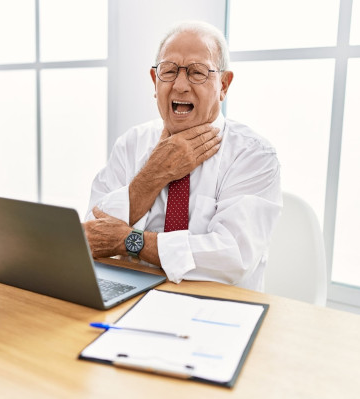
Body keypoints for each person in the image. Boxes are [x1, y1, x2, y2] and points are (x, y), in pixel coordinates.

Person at [82, 21, 282, 291]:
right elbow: (91, 236)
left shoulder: (254, 155)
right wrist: (153, 175)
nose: (180, 85)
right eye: (169, 71)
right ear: (155, 81)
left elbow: (232, 257)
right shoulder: (132, 143)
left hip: (216, 310)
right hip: (128, 298)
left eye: (197, 73)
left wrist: (132, 241)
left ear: (224, 84)